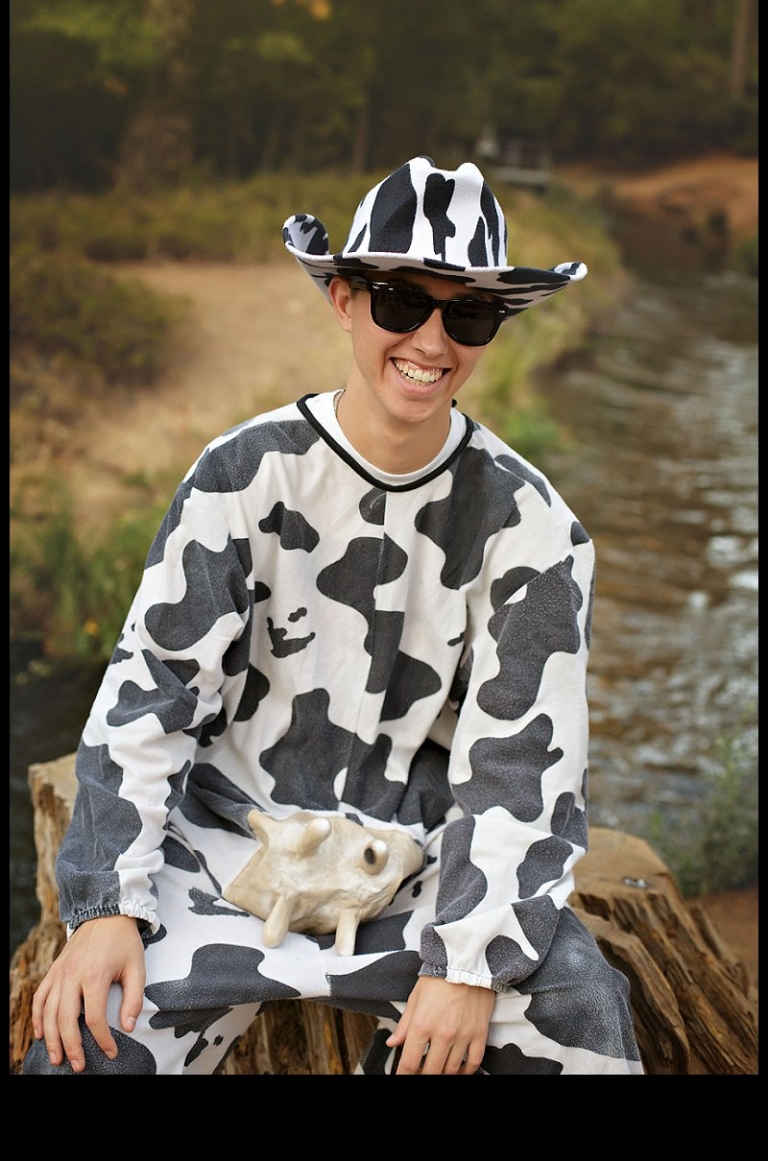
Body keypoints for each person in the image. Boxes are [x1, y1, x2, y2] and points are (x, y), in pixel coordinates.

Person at [23, 155, 644, 1076]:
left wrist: (468, 958)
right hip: (224, 857)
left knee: (581, 1019)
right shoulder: (242, 474)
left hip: (424, 871)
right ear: (344, 300)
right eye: (401, 301)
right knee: (84, 1045)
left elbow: (524, 762)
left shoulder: (535, 528)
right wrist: (107, 900)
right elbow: (149, 692)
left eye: (468, 312)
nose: (432, 339)